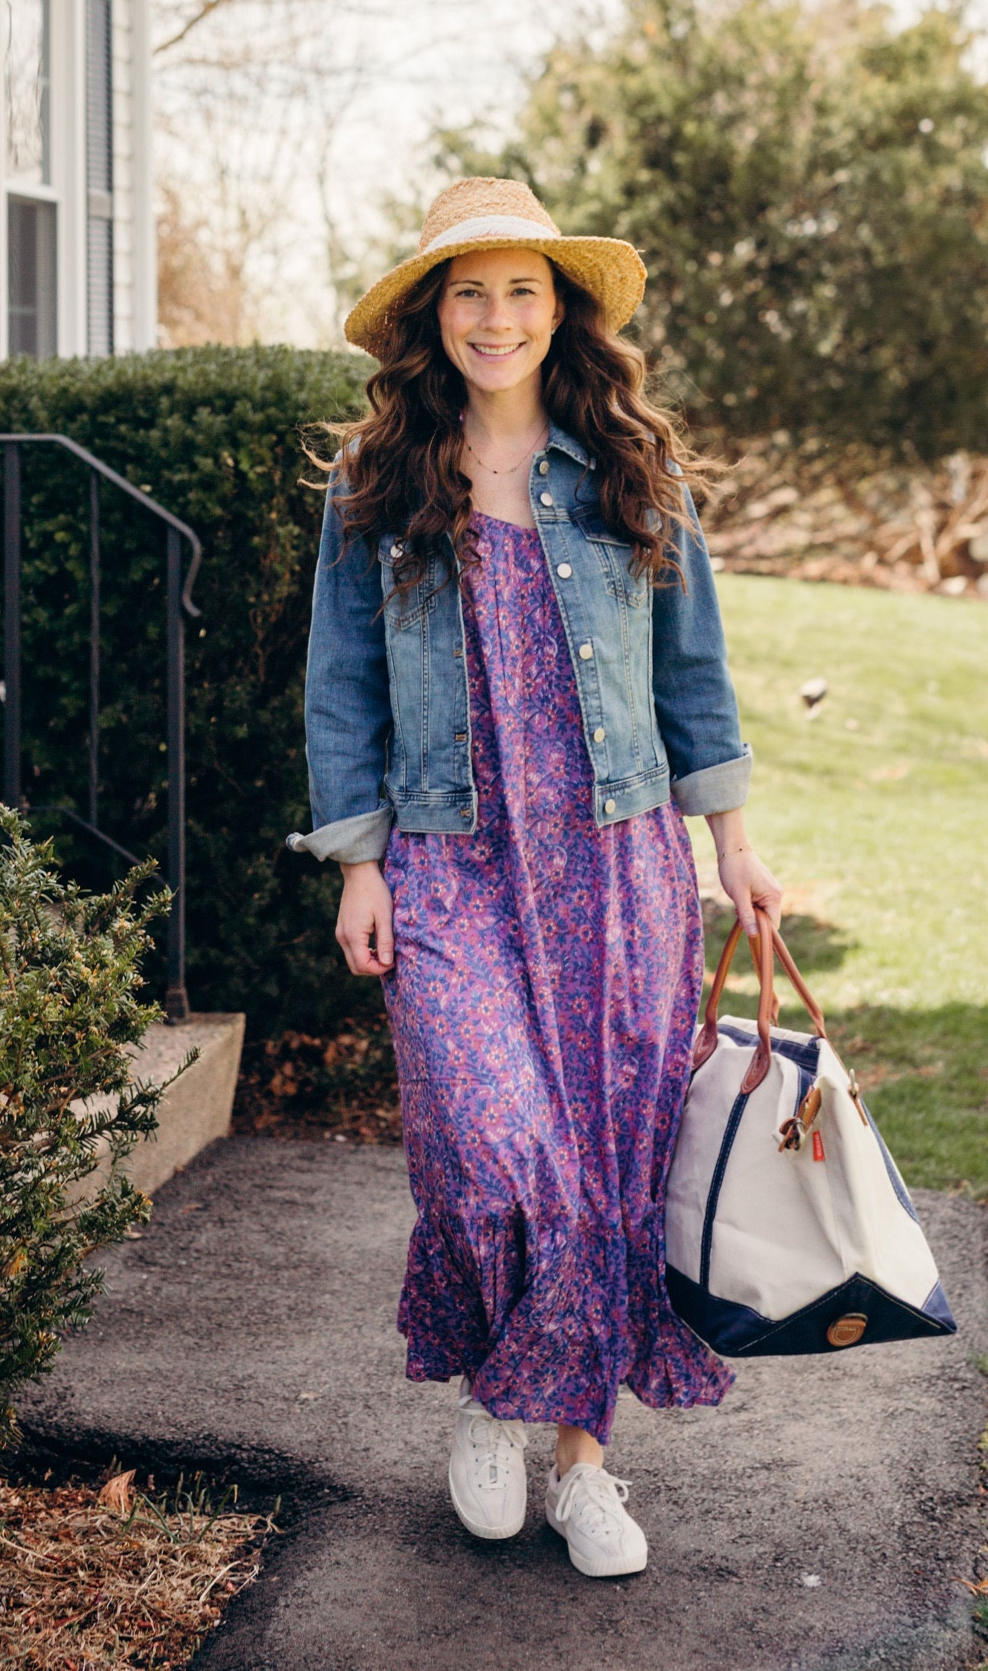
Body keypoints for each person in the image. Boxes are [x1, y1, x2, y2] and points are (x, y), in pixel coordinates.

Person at [288, 177, 783, 1578]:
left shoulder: (632, 467)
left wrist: (734, 846)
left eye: (520, 289)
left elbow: (694, 677)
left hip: (619, 861)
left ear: (560, 308)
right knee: (498, 1158)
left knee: (607, 1169)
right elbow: (341, 687)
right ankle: (499, 1398)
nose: (495, 316)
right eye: (467, 290)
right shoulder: (376, 484)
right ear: (428, 318)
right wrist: (358, 861)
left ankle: (575, 1462)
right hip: (452, 864)